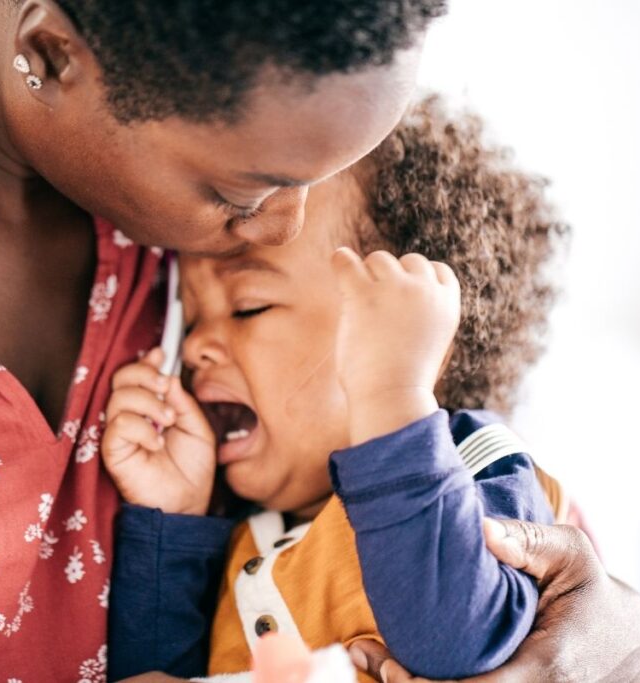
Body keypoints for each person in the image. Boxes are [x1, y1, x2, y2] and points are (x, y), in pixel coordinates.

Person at [0, 0, 640, 680]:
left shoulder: (193, 198)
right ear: (49, 54)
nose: (276, 229)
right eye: (243, 192)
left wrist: (611, 627)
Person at [103, 97, 567, 681]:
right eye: (191, 320)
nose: (194, 347)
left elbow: (456, 639)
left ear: (416, 336)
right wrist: (173, 521)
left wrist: (393, 396)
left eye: (248, 307)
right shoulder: (247, 535)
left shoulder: (480, 464)